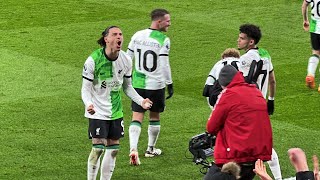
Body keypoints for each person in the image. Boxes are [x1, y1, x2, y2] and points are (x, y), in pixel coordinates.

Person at [81, 26, 152, 180]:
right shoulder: (93, 60)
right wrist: (88, 104)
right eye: (115, 34)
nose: (119, 37)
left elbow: (127, 86)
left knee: (113, 150)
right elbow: (85, 89)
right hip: (97, 110)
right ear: (106, 39)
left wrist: (141, 101)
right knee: (98, 148)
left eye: (121, 34)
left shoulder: (126, 59)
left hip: (115, 111)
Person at [206, 65, 273, 180]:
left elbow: (211, 127)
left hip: (236, 156)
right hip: (257, 156)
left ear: (223, 84)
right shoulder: (256, 92)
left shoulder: (228, 95)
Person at [126, 8, 173, 165]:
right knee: (154, 116)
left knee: (137, 116)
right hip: (156, 84)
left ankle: (133, 149)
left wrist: (125, 75)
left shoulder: (137, 35)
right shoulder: (163, 39)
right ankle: (150, 149)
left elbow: (128, 57)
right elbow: (165, 64)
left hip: (138, 83)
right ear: (158, 21)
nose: (169, 24)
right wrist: (169, 83)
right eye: (167, 21)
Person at [237, 23, 281, 180]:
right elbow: (273, 81)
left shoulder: (244, 60)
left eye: (242, 38)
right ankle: (278, 177)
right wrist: (271, 100)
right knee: (264, 143)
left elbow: (240, 84)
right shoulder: (265, 54)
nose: (238, 41)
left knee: (245, 143)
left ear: (251, 42)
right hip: (261, 105)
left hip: (248, 108)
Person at [302, 0, 320, 92]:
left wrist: (305, 20)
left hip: (314, 27)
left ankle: (310, 75)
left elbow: (304, 5)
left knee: (315, 52)